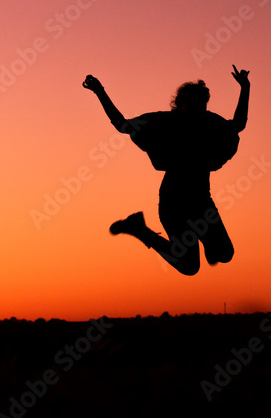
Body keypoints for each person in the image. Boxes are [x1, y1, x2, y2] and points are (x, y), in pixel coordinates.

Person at [82, 66, 250, 275]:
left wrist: (245, 87)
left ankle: (211, 249)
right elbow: (122, 125)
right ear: (180, 104)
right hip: (174, 204)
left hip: (201, 202)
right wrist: (100, 91)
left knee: (225, 254)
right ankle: (140, 230)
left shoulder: (210, 123)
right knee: (189, 266)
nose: (199, 108)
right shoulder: (164, 122)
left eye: (203, 104)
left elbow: (239, 124)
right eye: (193, 103)